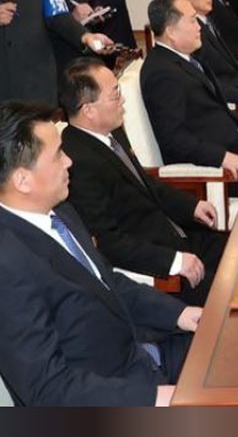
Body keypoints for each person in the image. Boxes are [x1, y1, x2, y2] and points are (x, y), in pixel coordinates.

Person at [0, 101, 200, 406]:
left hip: (143, 353)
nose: (69, 162)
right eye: (57, 156)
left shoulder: (61, 211)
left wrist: (180, 313)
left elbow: (109, 283)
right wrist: (152, 397)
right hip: (111, 398)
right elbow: (48, 389)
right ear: (22, 180)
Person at [59, 58, 227, 307]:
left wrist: (190, 205)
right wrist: (174, 261)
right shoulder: (76, 162)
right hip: (161, 266)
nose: (123, 101)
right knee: (235, 293)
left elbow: (145, 184)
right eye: (115, 95)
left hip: (180, 236)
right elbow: (108, 242)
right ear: (89, 110)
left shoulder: (110, 132)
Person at [140, 0, 238, 194]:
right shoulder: (162, 74)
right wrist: (222, 157)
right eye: (192, 21)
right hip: (219, 171)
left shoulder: (184, 58)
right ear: (171, 32)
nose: (199, 27)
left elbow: (209, 106)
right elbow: (174, 139)